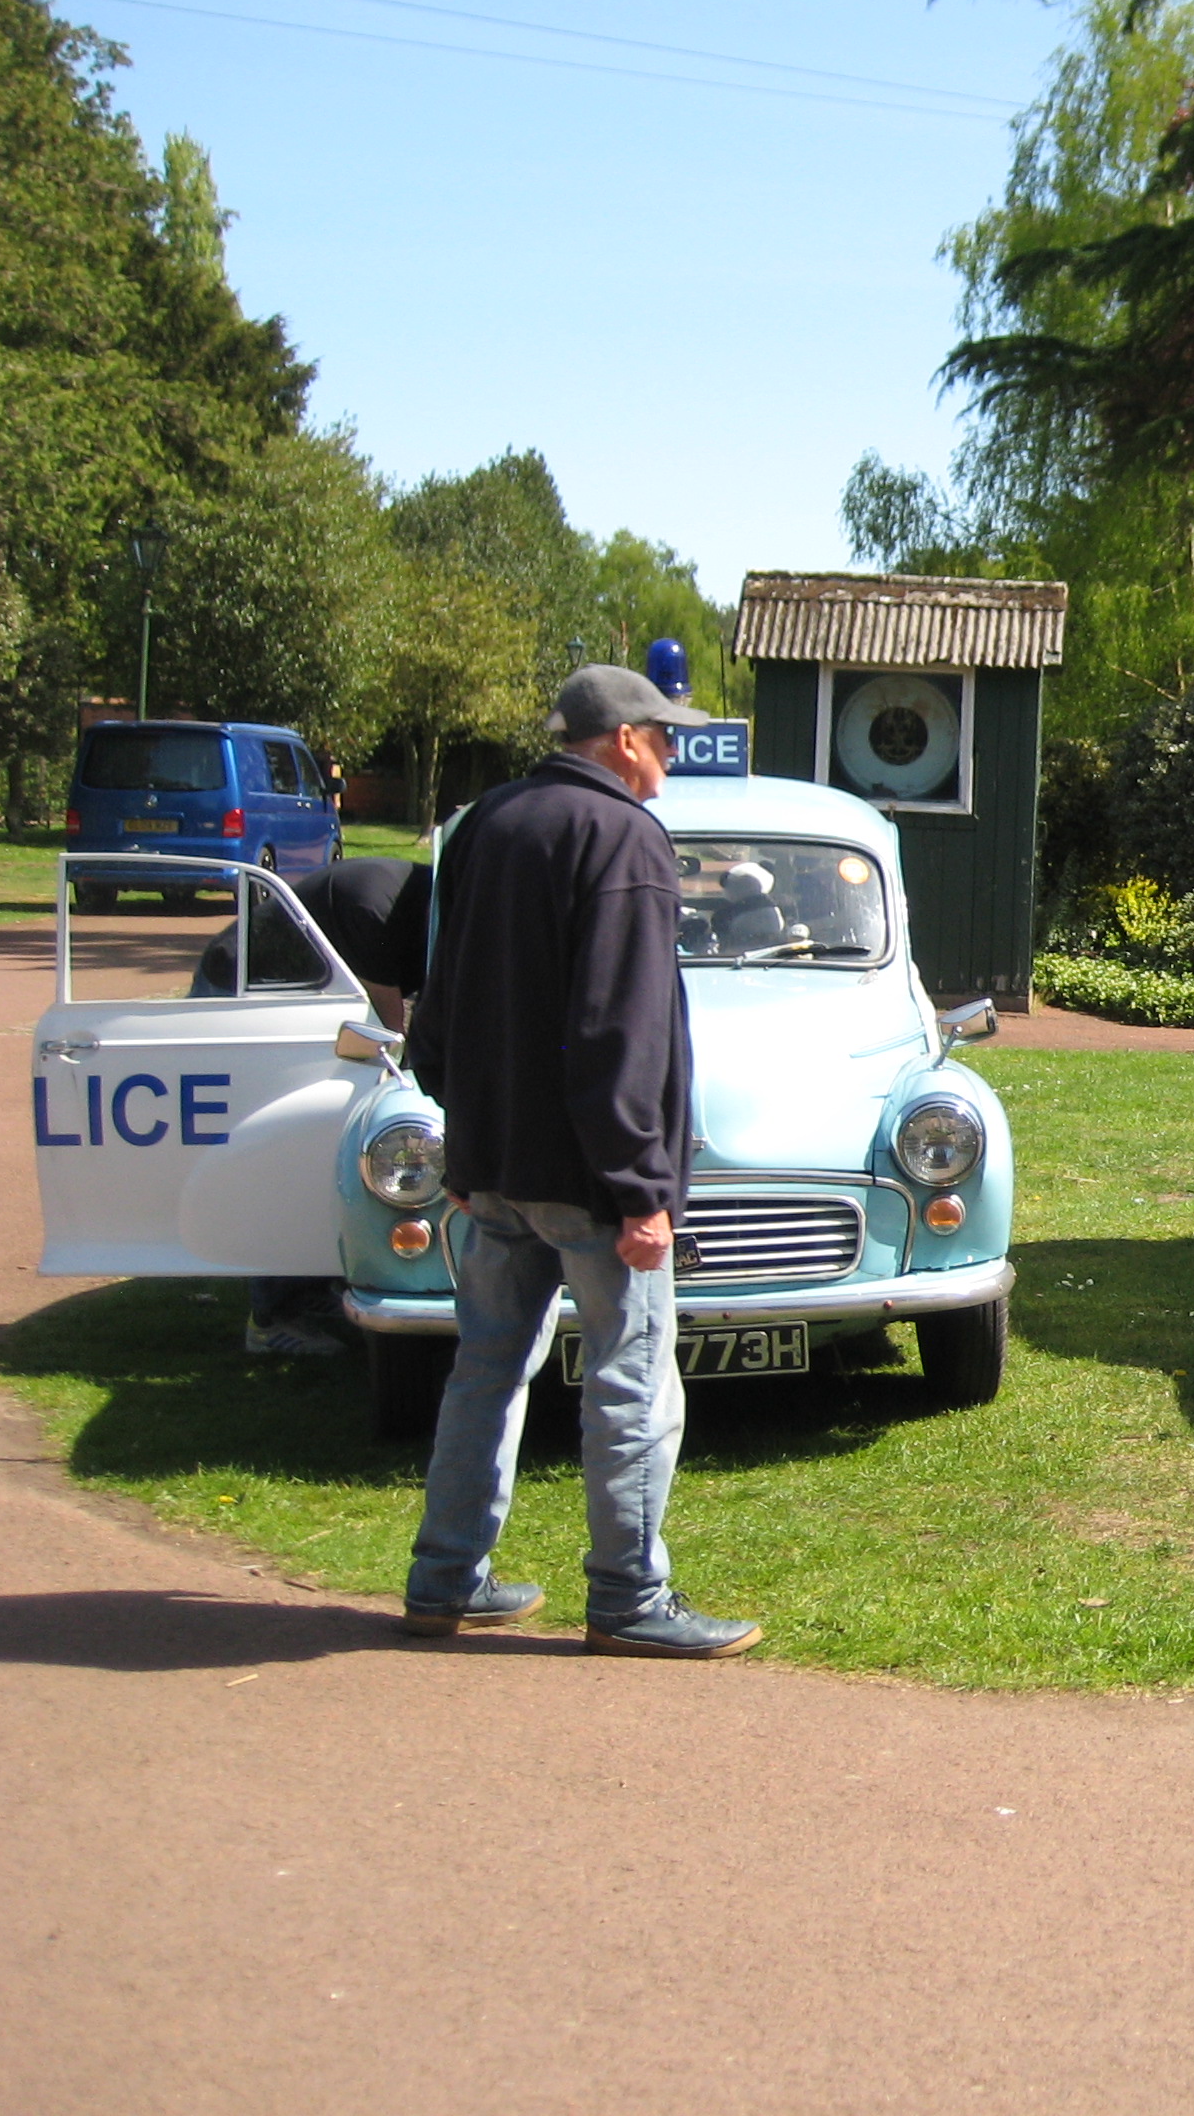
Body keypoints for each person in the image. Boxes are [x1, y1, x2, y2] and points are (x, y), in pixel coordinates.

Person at [399, 664, 761, 1660]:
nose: (673, 753)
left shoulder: (488, 822)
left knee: (486, 1369)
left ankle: (444, 1580)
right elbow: (617, 1030)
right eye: (663, 735)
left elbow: (443, 995)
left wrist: (464, 1138)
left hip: (493, 1164)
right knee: (632, 1377)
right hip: (590, 1178)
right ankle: (630, 1597)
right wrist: (642, 1189)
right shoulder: (624, 837)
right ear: (622, 740)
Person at [192, 858, 435, 1355]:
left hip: (304, 1000)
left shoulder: (424, 904)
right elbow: (388, 1028)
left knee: (326, 1144)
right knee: (289, 1147)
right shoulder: (378, 908)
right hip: (245, 993)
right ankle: (273, 1316)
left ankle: (312, 1287)